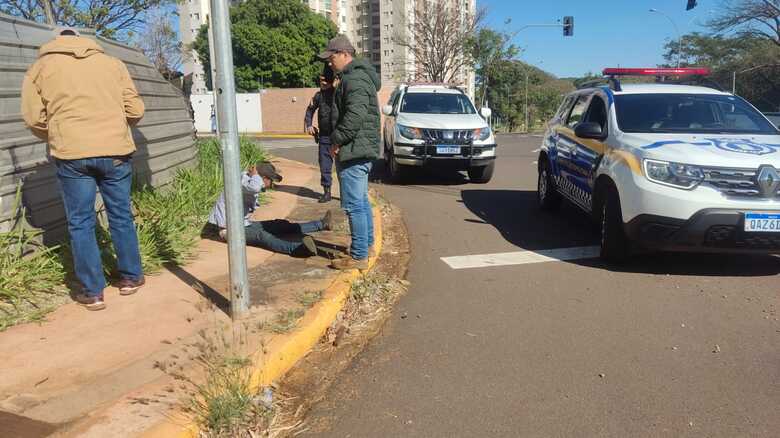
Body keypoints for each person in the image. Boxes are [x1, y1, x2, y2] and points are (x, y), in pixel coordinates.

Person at [21, 28, 146, 311]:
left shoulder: (39, 68)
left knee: (80, 222)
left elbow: (33, 117)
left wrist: (59, 133)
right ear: (85, 41)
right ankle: (130, 278)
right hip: (115, 151)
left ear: (55, 42)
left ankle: (93, 293)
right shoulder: (113, 64)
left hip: (71, 153)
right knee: (121, 215)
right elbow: (136, 110)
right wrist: (115, 125)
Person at [318, 35, 381, 270]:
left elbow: (355, 116)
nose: (330, 63)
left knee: (354, 205)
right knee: (361, 202)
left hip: (354, 150)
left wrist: (336, 140)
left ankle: (358, 256)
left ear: (345, 54)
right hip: (358, 148)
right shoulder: (353, 78)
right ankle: (367, 246)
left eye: (332, 57)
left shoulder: (355, 80)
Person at [205, 162, 333, 257]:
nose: (272, 185)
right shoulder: (244, 180)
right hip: (228, 231)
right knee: (263, 236)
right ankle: (298, 249)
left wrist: (256, 176)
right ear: (263, 178)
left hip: (243, 225)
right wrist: (255, 175)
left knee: (278, 224)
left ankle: (321, 224)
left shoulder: (250, 181)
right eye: (270, 181)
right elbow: (255, 187)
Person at [304, 65, 337, 203]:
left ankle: (346, 195)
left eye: (325, 81)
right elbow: (310, 110)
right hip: (324, 137)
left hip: (339, 136)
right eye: (321, 81)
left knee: (343, 168)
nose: (322, 83)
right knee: (324, 166)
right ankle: (327, 192)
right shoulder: (318, 96)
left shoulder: (337, 94)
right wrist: (309, 124)